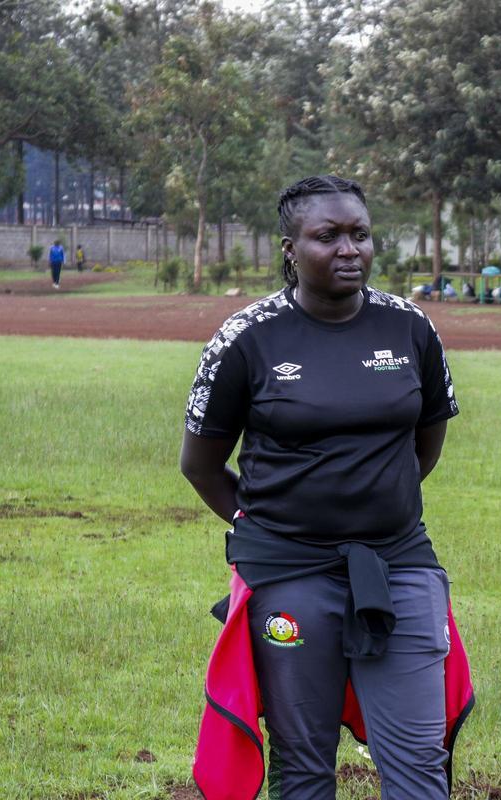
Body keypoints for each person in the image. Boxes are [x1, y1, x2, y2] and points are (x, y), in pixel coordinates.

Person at [182, 176, 474, 800]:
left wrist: (369, 503)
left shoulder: (410, 328)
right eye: (328, 236)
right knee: (303, 763)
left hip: (399, 562)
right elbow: (202, 466)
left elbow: (425, 446)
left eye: (360, 235)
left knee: (420, 759)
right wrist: (269, 527)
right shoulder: (246, 338)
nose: (349, 249)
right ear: (289, 247)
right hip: (289, 572)